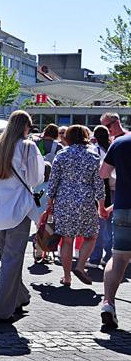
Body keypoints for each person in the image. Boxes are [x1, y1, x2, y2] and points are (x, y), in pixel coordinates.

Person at [0, 111, 45, 323]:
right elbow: (35, 179)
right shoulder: (28, 147)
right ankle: (0, 311)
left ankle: (20, 297)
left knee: (7, 259)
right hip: (19, 210)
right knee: (12, 259)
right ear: (25, 127)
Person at [45, 125, 105, 286]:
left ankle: (67, 277)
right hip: (86, 201)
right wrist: (101, 205)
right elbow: (99, 184)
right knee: (91, 236)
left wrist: (49, 202)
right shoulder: (93, 156)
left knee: (67, 240)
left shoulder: (62, 154)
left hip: (64, 201)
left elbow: (53, 181)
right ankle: (79, 266)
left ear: (68, 137)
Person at [100, 128, 131, 330]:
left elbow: (103, 172)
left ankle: (108, 303)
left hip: (123, 208)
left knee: (118, 257)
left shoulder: (120, 143)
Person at [89, 125, 114, 269]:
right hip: (111, 189)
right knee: (108, 225)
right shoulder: (110, 148)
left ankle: (95, 257)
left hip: (98, 189)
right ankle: (108, 256)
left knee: (98, 226)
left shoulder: (95, 149)